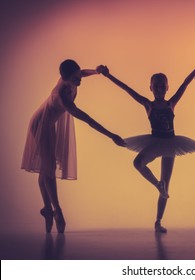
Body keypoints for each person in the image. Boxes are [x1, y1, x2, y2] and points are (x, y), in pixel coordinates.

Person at [21, 59, 125, 233]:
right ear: (65, 79)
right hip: (40, 124)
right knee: (49, 169)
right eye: (75, 78)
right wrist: (111, 135)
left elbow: (82, 72)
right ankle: (57, 212)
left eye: (79, 75)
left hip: (49, 123)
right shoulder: (62, 98)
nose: (79, 80)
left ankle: (47, 210)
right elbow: (89, 120)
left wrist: (96, 71)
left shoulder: (71, 77)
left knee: (46, 168)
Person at [98, 65, 195, 233]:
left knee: (167, 185)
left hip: (170, 142)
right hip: (154, 142)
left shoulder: (171, 103)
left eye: (163, 86)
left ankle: (158, 221)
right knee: (138, 163)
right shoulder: (148, 104)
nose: (160, 89)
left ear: (167, 87)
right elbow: (126, 89)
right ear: (151, 88)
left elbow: (185, 84)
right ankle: (157, 184)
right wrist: (108, 75)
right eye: (156, 86)